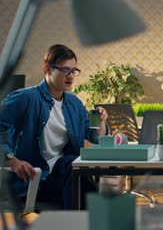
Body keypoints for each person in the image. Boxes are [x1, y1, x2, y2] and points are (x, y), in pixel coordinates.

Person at [0, 44, 109, 209]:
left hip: (62, 173)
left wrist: (100, 122)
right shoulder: (26, 98)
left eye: (73, 71)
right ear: (47, 69)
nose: (70, 76)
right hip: (34, 179)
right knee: (77, 176)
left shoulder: (74, 103)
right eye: (64, 70)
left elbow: (94, 136)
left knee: (75, 167)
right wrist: (12, 160)